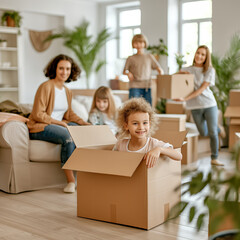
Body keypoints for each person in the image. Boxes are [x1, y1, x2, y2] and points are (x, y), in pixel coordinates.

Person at [27, 54, 90, 193]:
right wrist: (60, 123)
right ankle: (70, 181)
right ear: (55, 69)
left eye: (68, 69)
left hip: (58, 125)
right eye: (61, 68)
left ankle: (86, 176)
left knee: (82, 132)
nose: (65, 72)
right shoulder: (46, 87)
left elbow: (69, 114)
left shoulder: (67, 91)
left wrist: (84, 123)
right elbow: (38, 114)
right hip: (40, 127)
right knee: (68, 135)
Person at [175, 45, 225, 166]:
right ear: (195, 54)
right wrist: (181, 73)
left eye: (203, 55)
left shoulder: (209, 70)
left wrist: (184, 99)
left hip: (209, 104)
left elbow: (201, 89)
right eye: (198, 53)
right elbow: (174, 79)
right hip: (194, 106)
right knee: (203, 132)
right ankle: (219, 129)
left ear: (206, 58)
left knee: (212, 132)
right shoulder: (188, 69)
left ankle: (214, 158)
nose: (199, 56)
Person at [114, 98, 182, 168]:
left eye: (145, 123)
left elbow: (179, 156)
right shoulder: (121, 145)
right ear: (126, 126)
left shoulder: (153, 144)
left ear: (149, 124)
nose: (141, 127)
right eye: (135, 123)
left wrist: (159, 149)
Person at [123, 34, 164, 106]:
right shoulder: (130, 58)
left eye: (141, 42)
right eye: (136, 43)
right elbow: (124, 71)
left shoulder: (149, 57)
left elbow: (159, 68)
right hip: (134, 86)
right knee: (133, 107)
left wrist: (160, 75)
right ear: (133, 44)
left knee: (148, 108)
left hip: (147, 87)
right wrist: (128, 73)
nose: (139, 45)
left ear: (145, 43)